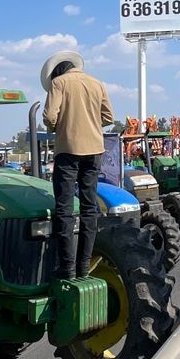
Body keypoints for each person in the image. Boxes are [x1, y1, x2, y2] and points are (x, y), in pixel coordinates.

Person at [41, 49, 115, 280]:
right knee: (89, 206)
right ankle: (84, 266)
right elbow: (109, 117)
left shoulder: (59, 84)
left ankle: (67, 268)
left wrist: (58, 128)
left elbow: (49, 117)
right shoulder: (97, 83)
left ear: (57, 72)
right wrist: (90, 123)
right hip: (94, 151)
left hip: (68, 150)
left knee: (64, 209)